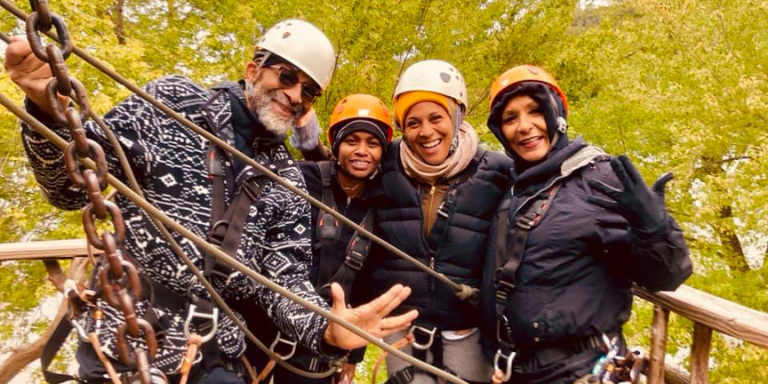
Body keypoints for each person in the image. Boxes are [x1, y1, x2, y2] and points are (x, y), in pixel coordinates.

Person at [4, 19, 417, 384]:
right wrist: (48, 113)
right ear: (253, 69)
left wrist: (327, 331)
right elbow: (72, 188)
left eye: (308, 91)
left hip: (215, 349)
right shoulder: (172, 105)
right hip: (125, 331)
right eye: (287, 76)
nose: (295, 95)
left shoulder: (287, 179)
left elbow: (284, 283)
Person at [479, 65, 693, 384]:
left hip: (581, 371)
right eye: (510, 119)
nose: (524, 127)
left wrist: (654, 226)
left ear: (558, 114)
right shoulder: (515, 187)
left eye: (535, 111)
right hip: (518, 371)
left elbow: (667, 275)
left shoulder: (598, 178)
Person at [363, 60, 515, 384]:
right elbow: (343, 167)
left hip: (470, 337)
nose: (426, 132)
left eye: (436, 118)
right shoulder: (386, 166)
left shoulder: (498, 172)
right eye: (413, 122)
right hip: (403, 336)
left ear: (457, 116)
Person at [243, 94, 393, 383]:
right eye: (352, 141)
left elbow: (364, 284)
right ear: (336, 145)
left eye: (372, 143)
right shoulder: (300, 178)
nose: (362, 151)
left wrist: (353, 355)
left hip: (323, 344)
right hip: (262, 332)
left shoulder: (381, 206)